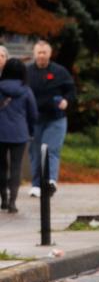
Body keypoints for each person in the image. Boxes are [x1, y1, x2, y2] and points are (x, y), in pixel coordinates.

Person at [26, 39, 74, 196]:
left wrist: (66, 101)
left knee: (51, 150)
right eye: (39, 52)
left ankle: (51, 181)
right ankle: (36, 185)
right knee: (35, 152)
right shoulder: (27, 72)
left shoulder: (60, 71)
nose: (41, 55)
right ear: (34, 54)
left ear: (50, 53)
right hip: (34, 119)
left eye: (44, 52)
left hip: (56, 118)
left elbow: (70, 90)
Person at [0, 59, 38, 212]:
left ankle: (3, 199)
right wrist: (31, 130)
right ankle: (12, 202)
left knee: (1, 166)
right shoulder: (26, 90)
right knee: (16, 167)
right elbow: (33, 114)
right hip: (19, 133)